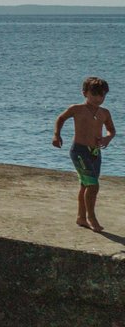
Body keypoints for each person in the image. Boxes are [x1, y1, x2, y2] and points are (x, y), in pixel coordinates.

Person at [53, 76, 114, 232]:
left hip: (95, 152)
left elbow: (111, 130)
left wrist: (107, 137)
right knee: (93, 185)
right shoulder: (77, 109)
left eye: (102, 95)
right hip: (79, 151)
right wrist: (57, 135)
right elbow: (61, 118)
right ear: (85, 93)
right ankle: (91, 217)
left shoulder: (104, 112)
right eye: (94, 94)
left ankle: (81, 217)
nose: (98, 99)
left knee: (85, 185)